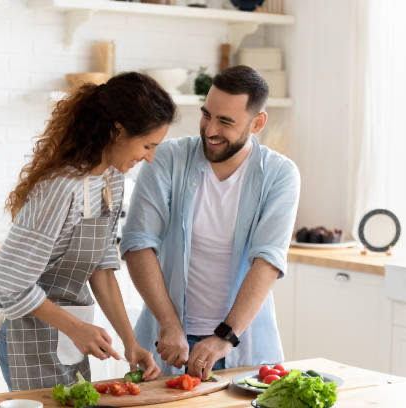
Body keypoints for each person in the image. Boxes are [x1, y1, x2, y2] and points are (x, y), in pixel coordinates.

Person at [0, 72, 176, 391]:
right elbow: (9, 281)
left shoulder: (111, 180)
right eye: (147, 145)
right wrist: (76, 328)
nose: (149, 157)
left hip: (70, 342)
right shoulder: (61, 188)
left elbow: (101, 268)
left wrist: (130, 342)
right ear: (117, 130)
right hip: (30, 341)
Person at [121, 65, 300, 379]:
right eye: (207, 115)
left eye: (226, 121)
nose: (210, 129)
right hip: (166, 343)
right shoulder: (166, 159)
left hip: (241, 346)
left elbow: (268, 260)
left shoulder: (280, 174)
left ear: (258, 123)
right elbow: (138, 244)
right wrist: (169, 323)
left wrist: (225, 336)